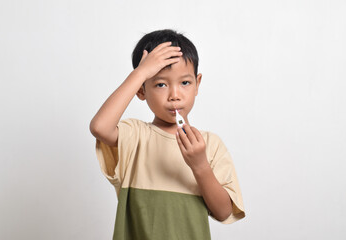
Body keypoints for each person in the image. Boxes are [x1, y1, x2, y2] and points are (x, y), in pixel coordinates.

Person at [89, 29, 245, 240]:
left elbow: (223, 211)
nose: (174, 95)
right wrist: (140, 73)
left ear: (197, 84)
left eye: (185, 83)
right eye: (161, 84)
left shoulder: (210, 145)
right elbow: (100, 127)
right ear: (141, 91)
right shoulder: (135, 136)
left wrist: (200, 166)